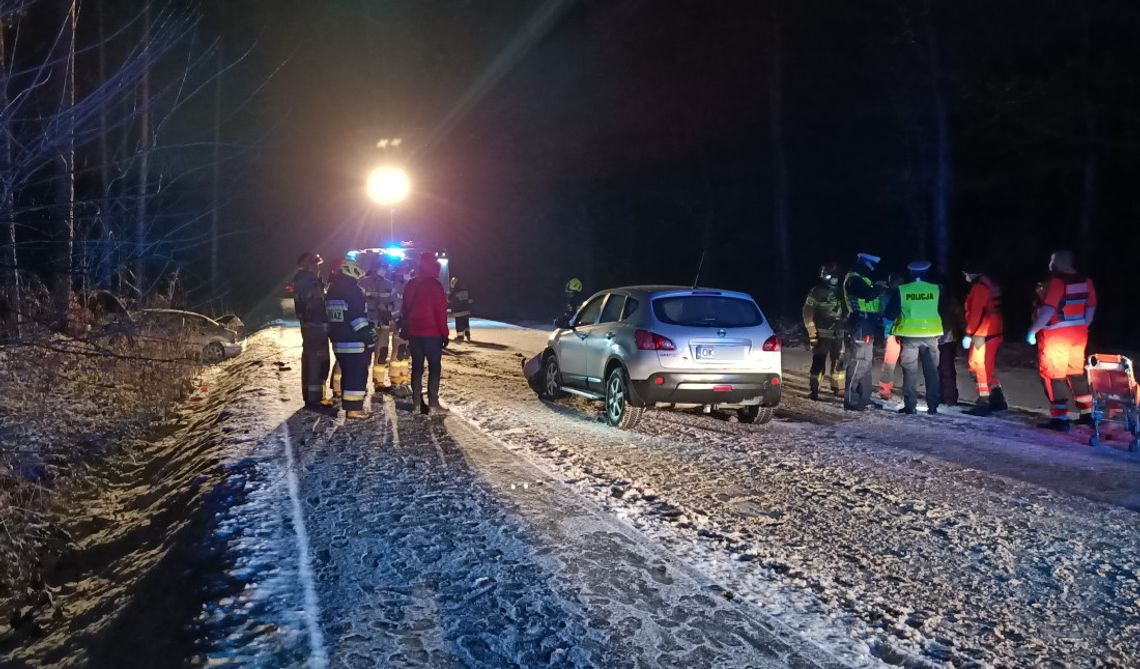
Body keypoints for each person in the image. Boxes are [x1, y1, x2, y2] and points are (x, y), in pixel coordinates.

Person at [1027, 250, 1097, 432]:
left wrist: (1033, 330)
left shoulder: (1057, 282)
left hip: (1057, 336)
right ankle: (1087, 414)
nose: (1050, 264)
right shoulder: (1086, 281)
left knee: (1054, 376)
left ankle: (1060, 419)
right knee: (1075, 374)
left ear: (1058, 262)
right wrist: (1083, 325)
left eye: (1052, 260)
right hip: (1079, 333)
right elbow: (1091, 307)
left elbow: (1049, 310)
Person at [885, 261, 944, 415]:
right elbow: (943, 309)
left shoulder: (902, 290)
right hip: (931, 336)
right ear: (927, 273)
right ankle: (933, 406)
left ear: (910, 274)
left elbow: (890, 314)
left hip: (910, 337)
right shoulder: (936, 289)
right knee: (931, 372)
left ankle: (910, 406)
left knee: (909, 372)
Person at [402, 252, 450, 415]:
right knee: (434, 368)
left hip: (415, 333)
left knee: (417, 368)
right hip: (432, 334)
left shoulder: (411, 284)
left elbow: (405, 309)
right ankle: (433, 404)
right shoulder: (435, 286)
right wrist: (445, 333)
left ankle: (416, 403)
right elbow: (440, 312)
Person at [326, 258, 374, 419]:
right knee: (356, 374)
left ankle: (349, 406)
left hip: (338, 339)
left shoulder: (333, 289)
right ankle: (354, 409)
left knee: (347, 372)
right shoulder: (352, 290)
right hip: (353, 340)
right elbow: (357, 318)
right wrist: (368, 338)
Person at [842, 252, 887, 411]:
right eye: (871, 266)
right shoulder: (854, 278)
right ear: (865, 264)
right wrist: (879, 288)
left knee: (866, 363)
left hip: (868, 323)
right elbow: (867, 295)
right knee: (859, 360)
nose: (873, 269)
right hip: (860, 322)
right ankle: (851, 399)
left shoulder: (863, 279)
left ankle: (864, 398)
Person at [961, 265, 1007, 414]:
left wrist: (968, 334)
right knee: (987, 367)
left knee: (977, 367)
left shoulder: (980, 288)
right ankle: (997, 399)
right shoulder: (992, 284)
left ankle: (984, 402)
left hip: (982, 333)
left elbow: (976, 313)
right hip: (994, 331)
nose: (965, 276)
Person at [802, 262, 848, 401]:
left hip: (838, 333)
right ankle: (815, 388)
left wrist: (846, 323)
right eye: (831, 276)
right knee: (818, 362)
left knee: (839, 361)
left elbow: (847, 309)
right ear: (824, 276)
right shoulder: (816, 291)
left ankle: (839, 388)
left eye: (836, 276)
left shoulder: (842, 291)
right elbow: (807, 313)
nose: (834, 279)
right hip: (821, 335)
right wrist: (812, 333)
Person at [293, 252, 331, 409]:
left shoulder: (304, 280)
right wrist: (323, 323)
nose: (318, 268)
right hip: (315, 327)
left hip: (311, 326)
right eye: (316, 264)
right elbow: (315, 305)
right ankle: (315, 399)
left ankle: (312, 396)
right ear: (309, 265)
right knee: (316, 360)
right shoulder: (308, 282)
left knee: (312, 359)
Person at [358, 259, 397, 391]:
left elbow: (395, 303)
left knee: (382, 353)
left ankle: (379, 382)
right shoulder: (362, 282)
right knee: (364, 355)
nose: (384, 270)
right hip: (367, 324)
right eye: (381, 267)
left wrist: (386, 308)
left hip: (383, 324)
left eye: (385, 267)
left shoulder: (389, 284)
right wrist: (374, 305)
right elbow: (358, 301)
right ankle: (360, 383)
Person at [937, 281, 965, 407]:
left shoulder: (950, 302)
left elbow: (960, 319)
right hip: (940, 338)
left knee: (946, 368)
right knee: (941, 369)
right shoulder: (945, 301)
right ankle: (943, 396)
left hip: (947, 338)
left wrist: (963, 334)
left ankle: (949, 397)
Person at [877, 273, 905, 400]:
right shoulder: (894, 296)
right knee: (891, 364)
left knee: (890, 363)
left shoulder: (886, 295)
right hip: (896, 333)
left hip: (893, 333)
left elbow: (882, 314)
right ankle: (885, 390)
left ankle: (885, 390)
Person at [449, 276, 473, 342]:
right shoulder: (466, 290)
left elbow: (449, 299)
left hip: (458, 312)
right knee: (466, 323)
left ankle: (460, 337)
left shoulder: (454, 291)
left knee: (459, 324)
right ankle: (468, 334)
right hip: (466, 310)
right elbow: (470, 300)